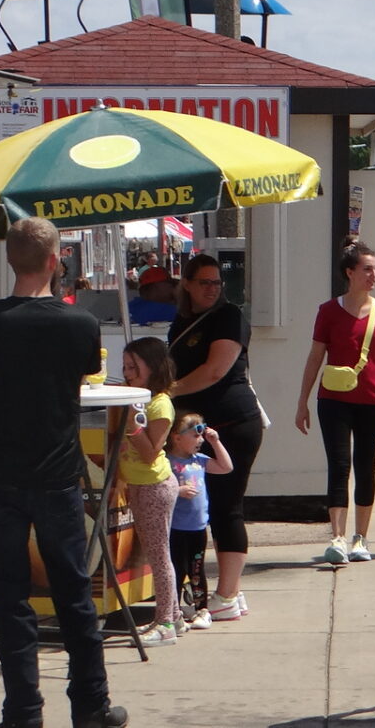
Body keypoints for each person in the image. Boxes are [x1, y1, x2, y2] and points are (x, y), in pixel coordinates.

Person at [0, 217, 127, 728]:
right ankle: (91, 706)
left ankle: (22, 712)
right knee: (73, 594)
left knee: (10, 597)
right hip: (56, 475)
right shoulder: (79, 324)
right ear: (56, 260)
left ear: (10, 259)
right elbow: (83, 383)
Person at [169, 253, 263, 621]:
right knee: (204, 510)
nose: (211, 288)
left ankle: (226, 594)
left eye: (216, 283)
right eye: (203, 282)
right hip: (195, 429)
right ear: (187, 285)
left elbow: (215, 371)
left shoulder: (229, 317)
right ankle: (229, 591)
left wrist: (168, 390)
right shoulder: (181, 321)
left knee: (226, 507)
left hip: (231, 424)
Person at [296, 240, 375, 564]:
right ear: (350, 272)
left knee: (365, 466)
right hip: (333, 401)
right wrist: (302, 402)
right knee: (339, 466)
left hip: (372, 401)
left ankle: (361, 538)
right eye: (367, 269)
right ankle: (338, 537)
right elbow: (315, 357)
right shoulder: (328, 311)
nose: (373, 275)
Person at [115, 338, 180, 646]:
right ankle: (174, 617)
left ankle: (165, 622)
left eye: (133, 367)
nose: (127, 373)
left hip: (154, 486)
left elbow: (151, 453)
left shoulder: (160, 403)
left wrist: (131, 425)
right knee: (158, 552)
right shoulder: (142, 398)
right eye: (125, 367)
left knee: (159, 555)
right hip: (141, 486)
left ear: (152, 367)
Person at [165, 411, 232, 633]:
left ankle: (202, 609)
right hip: (176, 527)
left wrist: (216, 442)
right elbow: (160, 489)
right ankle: (173, 611)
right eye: (195, 435)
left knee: (197, 569)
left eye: (202, 434)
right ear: (176, 437)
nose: (200, 440)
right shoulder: (167, 462)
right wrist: (178, 489)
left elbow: (226, 467)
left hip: (198, 527)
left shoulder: (200, 461)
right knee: (177, 568)